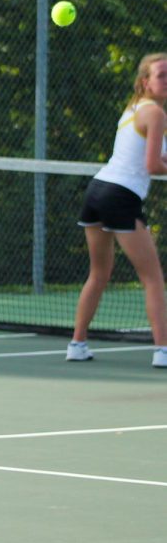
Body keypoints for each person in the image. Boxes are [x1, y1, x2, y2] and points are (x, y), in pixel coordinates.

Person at [68, 53, 167, 368]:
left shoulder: (132, 109)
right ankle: (163, 351)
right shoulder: (155, 113)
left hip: (98, 191)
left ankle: (77, 344)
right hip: (119, 195)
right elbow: (152, 165)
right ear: (145, 82)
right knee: (153, 278)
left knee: (99, 274)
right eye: (162, 75)